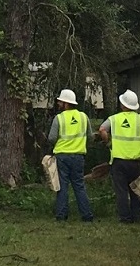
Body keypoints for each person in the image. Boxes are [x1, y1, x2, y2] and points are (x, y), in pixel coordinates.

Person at [99, 89, 140, 223]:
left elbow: (102, 130)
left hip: (118, 162)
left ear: (122, 105)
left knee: (121, 192)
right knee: (136, 189)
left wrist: (109, 142)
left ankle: (125, 218)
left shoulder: (114, 119)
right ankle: (137, 216)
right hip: (136, 163)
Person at [47, 88, 94, 222]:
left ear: (65, 103)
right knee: (79, 186)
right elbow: (90, 137)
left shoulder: (59, 118)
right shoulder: (83, 117)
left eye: (60, 102)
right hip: (78, 156)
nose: (58, 104)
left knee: (62, 186)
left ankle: (61, 215)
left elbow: (51, 138)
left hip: (62, 156)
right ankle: (87, 215)